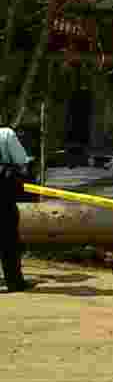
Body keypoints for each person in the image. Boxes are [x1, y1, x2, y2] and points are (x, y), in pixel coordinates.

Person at [0, 125, 31, 292]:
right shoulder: (5, 134)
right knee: (8, 239)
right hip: (2, 196)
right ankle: (14, 281)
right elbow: (21, 160)